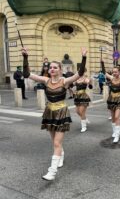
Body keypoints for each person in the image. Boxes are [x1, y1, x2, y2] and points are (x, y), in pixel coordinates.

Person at [22, 47, 87, 181]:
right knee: (54, 142)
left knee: (57, 142)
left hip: (62, 112)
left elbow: (79, 74)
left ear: (60, 70)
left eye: (55, 67)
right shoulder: (46, 80)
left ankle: (52, 171)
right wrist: (25, 57)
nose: (52, 69)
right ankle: (61, 155)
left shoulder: (64, 81)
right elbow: (27, 74)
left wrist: (84, 58)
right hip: (49, 112)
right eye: (50, 67)